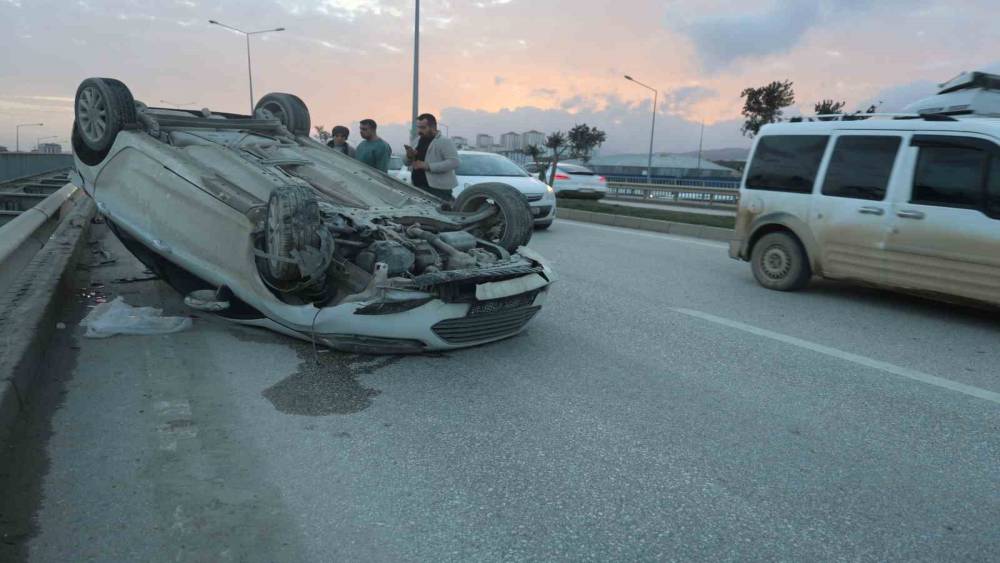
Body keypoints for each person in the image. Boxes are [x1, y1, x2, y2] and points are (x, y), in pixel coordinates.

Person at [404, 113, 459, 201]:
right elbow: (406, 162)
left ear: (433, 127)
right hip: (417, 187)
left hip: (438, 189)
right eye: (418, 127)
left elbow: (454, 162)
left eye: (423, 128)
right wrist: (409, 156)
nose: (419, 131)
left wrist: (428, 166)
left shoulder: (444, 141)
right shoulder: (417, 140)